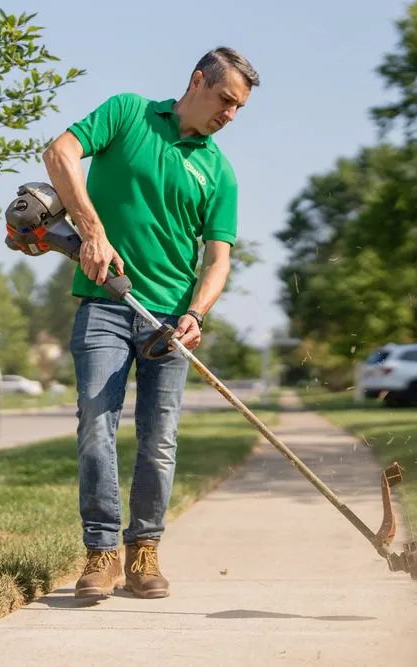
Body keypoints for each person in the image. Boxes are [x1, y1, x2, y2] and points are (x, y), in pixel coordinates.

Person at [41, 47, 259, 599]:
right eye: (226, 100)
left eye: (239, 109)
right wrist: (92, 231)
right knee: (96, 425)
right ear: (197, 81)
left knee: (159, 440)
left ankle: (144, 551)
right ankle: (101, 552)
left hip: (169, 322)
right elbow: (59, 152)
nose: (230, 116)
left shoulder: (218, 170)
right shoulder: (128, 114)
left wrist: (196, 314)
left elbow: (218, 259)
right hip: (103, 303)